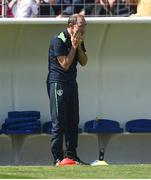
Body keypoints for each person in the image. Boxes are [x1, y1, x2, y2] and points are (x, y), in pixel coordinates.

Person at [47, 14, 88, 165]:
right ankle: (57, 158)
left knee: (73, 120)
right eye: (81, 26)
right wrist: (74, 47)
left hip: (71, 83)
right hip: (58, 83)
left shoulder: (78, 40)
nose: (84, 29)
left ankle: (71, 156)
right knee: (59, 121)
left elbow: (83, 62)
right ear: (71, 26)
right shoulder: (58, 40)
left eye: (85, 26)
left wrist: (78, 46)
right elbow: (65, 64)